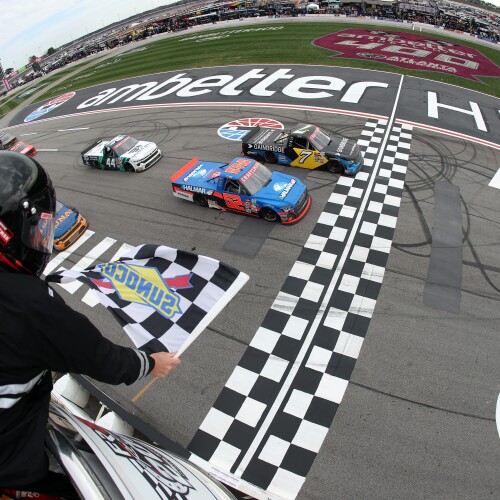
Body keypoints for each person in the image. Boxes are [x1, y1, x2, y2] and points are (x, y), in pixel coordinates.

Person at [0, 150, 181, 498]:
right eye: (37, 229)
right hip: (11, 456)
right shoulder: (27, 303)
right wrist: (150, 363)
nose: (41, 238)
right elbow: (99, 358)